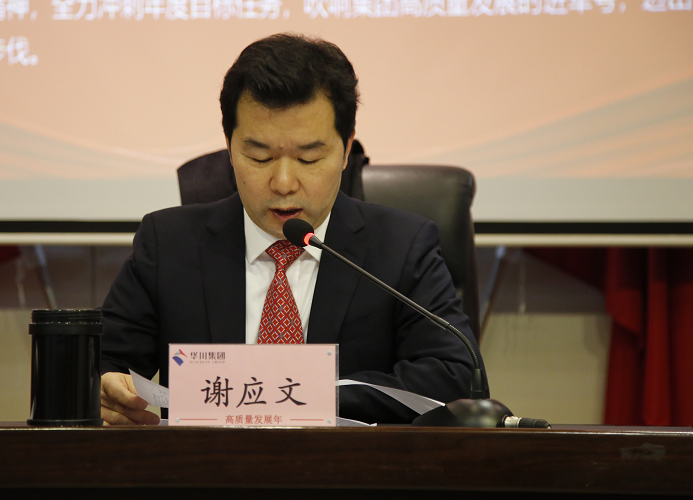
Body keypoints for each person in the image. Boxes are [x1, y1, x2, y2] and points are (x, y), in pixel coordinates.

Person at [99, 33, 481, 425]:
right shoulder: (169, 243)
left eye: (309, 159)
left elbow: (453, 375)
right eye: (259, 157)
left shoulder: (401, 247)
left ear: (346, 149)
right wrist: (104, 389)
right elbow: (99, 362)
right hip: (206, 463)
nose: (283, 183)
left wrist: (294, 393)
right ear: (229, 146)